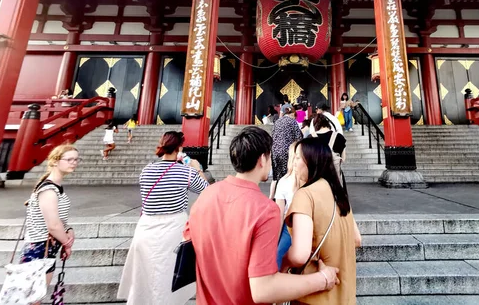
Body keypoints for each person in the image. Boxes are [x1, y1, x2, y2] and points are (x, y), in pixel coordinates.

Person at [184, 126, 339, 305]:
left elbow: (190, 244)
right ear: (262, 159)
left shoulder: (206, 196)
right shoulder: (265, 210)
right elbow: (263, 289)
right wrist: (323, 279)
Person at [118, 131, 209, 305]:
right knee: (167, 278)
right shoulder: (186, 173)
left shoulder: (146, 171)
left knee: (144, 279)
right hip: (172, 228)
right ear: (179, 148)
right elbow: (208, 190)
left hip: (146, 228)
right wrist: (197, 168)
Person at [284, 138, 361, 305]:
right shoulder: (339, 194)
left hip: (314, 295)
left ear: (311, 160)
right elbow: (357, 240)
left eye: (297, 158)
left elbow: (299, 255)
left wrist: (276, 261)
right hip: (344, 295)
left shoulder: (305, 195)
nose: (293, 163)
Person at [19, 144, 78, 297]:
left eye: (76, 159)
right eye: (69, 159)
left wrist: (68, 230)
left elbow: (58, 219)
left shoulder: (55, 187)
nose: (74, 162)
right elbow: (52, 225)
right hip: (39, 248)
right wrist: (67, 244)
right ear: (55, 161)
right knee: (32, 297)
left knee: (35, 296)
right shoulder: (49, 190)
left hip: (48, 247)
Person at [275, 142, 299, 269]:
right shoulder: (314, 180)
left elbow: (279, 214)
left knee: (278, 256)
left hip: (288, 227)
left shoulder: (283, 181)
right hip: (299, 225)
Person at [269, 106, 302, 199]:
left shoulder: (277, 122)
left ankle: (271, 197)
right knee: (286, 175)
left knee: (276, 176)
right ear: (292, 114)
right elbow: (299, 138)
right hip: (286, 152)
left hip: (275, 151)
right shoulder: (292, 122)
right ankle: (284, 198)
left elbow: (273, 135)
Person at [312, 114, 347, 182]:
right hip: (334, 179)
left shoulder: (310, 137)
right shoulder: (339, 137)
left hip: (316, 179)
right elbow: (343, 158)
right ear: (328, 123)